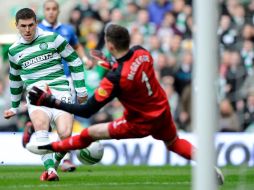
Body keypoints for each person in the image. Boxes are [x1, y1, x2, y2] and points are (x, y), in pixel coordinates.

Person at [27, 24, 224, 185]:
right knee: (173, 143)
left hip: (139, 122)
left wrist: (51, 101)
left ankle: (51, 146)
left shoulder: (115, 78)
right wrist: (110, 63)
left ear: (110, 46)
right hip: (162, 111)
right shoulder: (142, 52)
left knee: (89, 133)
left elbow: (87, 110)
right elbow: (131, 67)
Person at [4, 8, 87, 181]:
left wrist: (81, 90)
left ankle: (53, 165)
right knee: (41, 126)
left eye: (31, 25)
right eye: (23, 26)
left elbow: (75, 61)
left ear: (36, 23)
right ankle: (51, 171)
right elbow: (14, 80)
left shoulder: (53, 38)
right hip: (36, 95)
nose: (27, 30)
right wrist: (13, 106)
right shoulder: (13, 51)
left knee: (65, 135)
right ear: (16, 26)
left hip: (61, 91)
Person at [35, 0, 92, 173]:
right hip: (44, 80)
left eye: (54, 9)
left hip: (66, 80)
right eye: (48, 9)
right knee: (47, 118)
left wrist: (85, 59)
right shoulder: (36, 31)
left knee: (65, 119)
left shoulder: (67, 30)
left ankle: (65, 158)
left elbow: (76, 46)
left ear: (58, 11)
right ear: (44, 11)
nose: (51, 12)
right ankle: (58, 155)